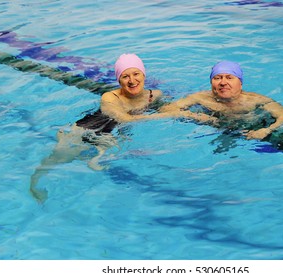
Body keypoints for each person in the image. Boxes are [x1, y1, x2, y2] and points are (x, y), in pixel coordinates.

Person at [30, 53, 212, 203]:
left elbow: (167, 109)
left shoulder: (154, 95)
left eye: (136, 74)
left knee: (111, 150)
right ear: (119, 80)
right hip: (85, 130)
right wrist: (175, 114)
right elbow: (126, 119)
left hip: (110, 134)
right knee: (56, 160)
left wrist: (197, 111)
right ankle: (35, 184)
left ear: (144, 75)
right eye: (125, 76)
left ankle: (96, 155)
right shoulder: (109, 97)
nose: (132, 80)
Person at [160, 60, 283, 140]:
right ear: (211, 83)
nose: (223, 82)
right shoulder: (200, 98)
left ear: (240, 83)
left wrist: (267, 130)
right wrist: (193, 115)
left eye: (229, 77)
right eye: (217, 78)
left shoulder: (256, 100)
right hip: (220, 127)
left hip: (254, 127)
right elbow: (167, 108)